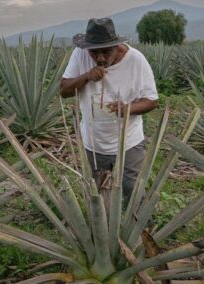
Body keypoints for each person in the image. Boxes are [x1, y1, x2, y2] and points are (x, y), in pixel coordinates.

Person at [60, 17, 158, 203]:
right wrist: (87, 76)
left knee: (132, 188)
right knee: (98, 191)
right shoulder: (80, 54)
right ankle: (102, 231)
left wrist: (127, 108)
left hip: (128, 141)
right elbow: (64, 90)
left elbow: (152, 101)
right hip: (94, 142)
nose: (100, 58)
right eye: (94, 53)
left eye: (106, 52)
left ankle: (143, 230)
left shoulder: (136, 60)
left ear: (117, 46)